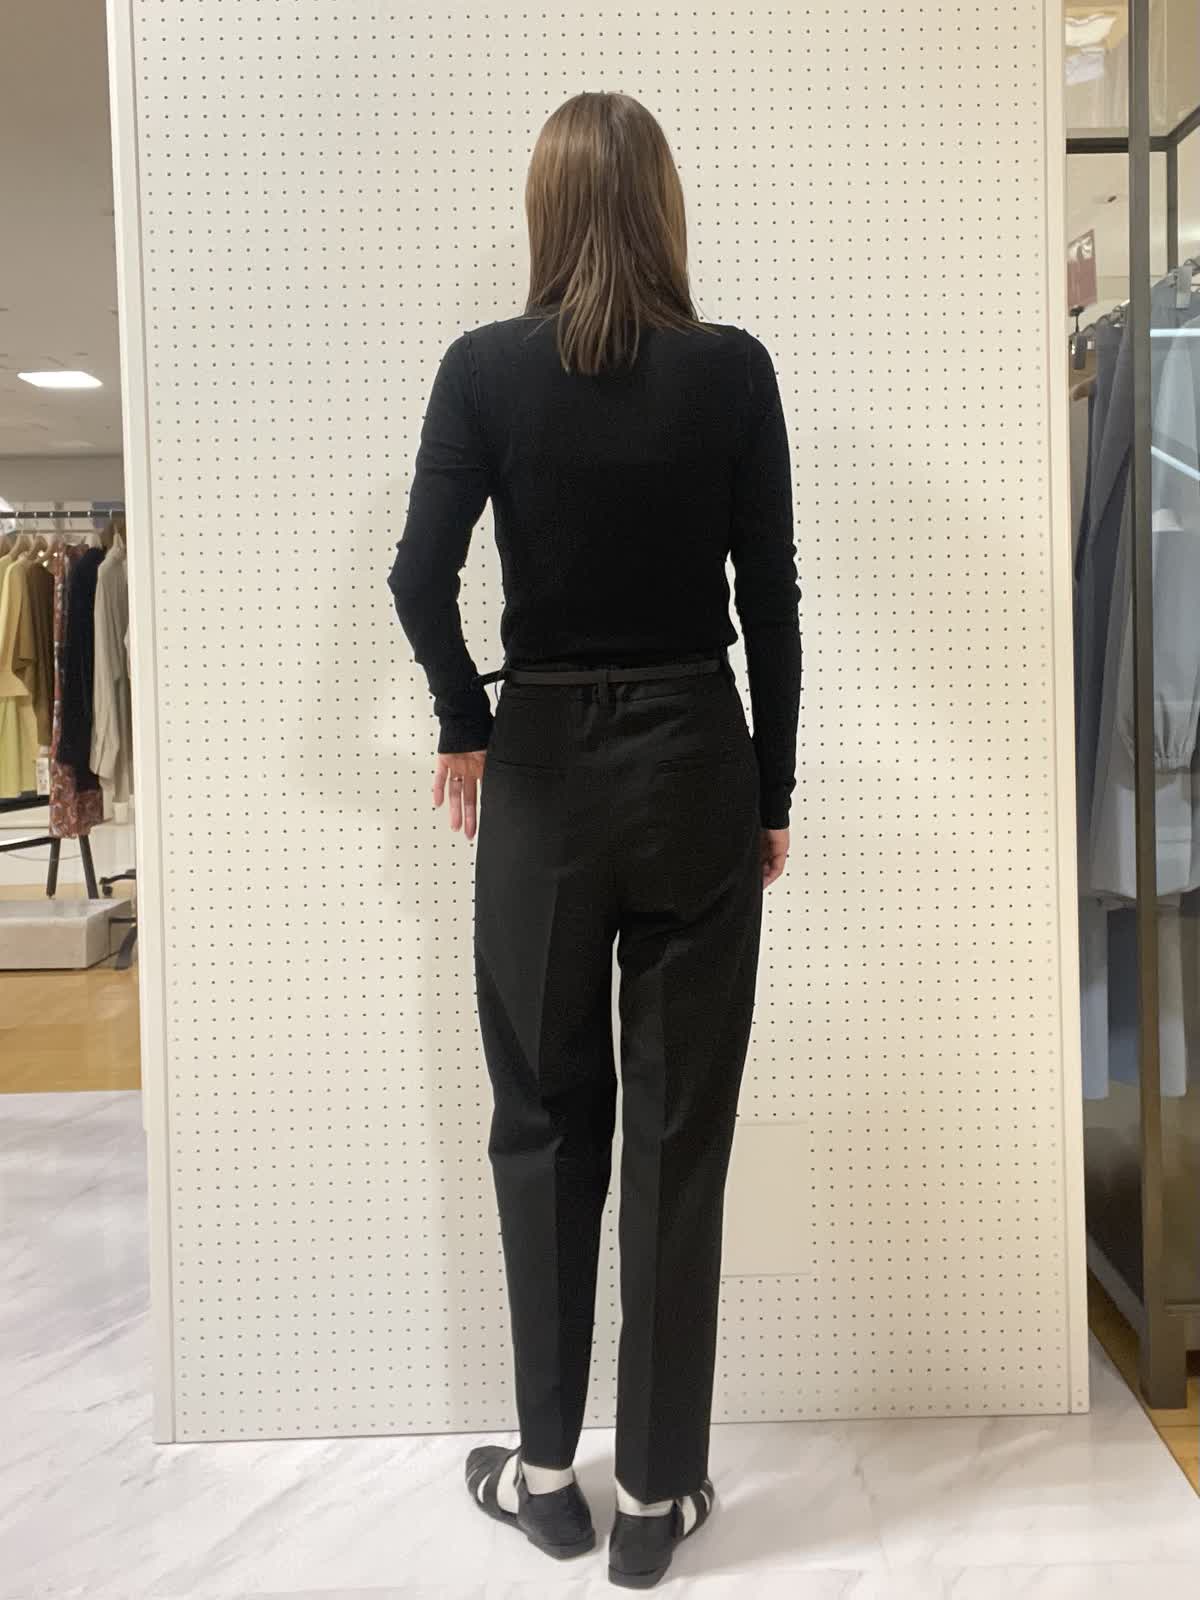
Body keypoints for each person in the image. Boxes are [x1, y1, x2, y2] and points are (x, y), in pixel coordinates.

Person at [389, 90, 801, 1590]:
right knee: (680, 1137)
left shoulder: (483, 371)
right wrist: (770, 792)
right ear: (666, 208)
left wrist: (465, 720)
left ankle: (549, 1478)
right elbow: (771, 601)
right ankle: (660, 1500)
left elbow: (418, 578)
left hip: (544, 772)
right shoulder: (733, 370)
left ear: (545, 209)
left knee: (547, 1121)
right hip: (696, 755)